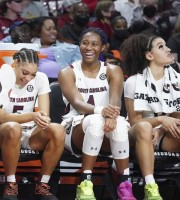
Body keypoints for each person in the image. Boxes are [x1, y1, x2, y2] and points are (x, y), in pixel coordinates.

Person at [58, 27, 136, 200]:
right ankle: (85, 184)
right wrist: (102, 112)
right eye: (84, 43)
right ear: (79, 45)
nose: (88, 48)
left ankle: (125, 186)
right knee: (95, 121)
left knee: (121, 124)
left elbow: (116, 99)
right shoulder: (67, 72)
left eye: (94, 44)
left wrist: (111, 115)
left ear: (103, 48)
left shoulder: (113, 70)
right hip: (76, 128)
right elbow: (78, 105)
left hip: (108, 125)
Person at [0, 48, 65, 200]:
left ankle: (42, 185)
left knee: (58, 129)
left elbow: (44, 114)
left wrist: (42, 119)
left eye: (32, 74)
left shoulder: (40, 78)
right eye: (24, 72)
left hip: (28, 131)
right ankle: (10, 184)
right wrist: (32, 116)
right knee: (13, 128)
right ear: (15, 63)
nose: (28, 78)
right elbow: (1, 118)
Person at [120, 33, 178, 200]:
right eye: (161, 46)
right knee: (145, 127)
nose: (168, 49)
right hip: (139, 135)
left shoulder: (177, 79)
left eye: (166, 45)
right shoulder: (133, 81)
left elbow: (176, 116)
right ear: (149, 55)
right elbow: (135, 121)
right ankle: (150, 187)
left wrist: (161, 129)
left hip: (164, 135)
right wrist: (160, 120)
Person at [31, 17, 81, 83]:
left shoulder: (68, 48)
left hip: (63, 83)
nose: (53, 32)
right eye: (48, 29)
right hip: (36, 82)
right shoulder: (30, 47)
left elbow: (79, 68)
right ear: (39, 32)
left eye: (54, 29)